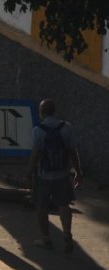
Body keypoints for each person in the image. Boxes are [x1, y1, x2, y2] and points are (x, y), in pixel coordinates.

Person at [27, 99, 82, 254]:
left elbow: (35, 154)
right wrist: (78, 171)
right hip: (63, 174)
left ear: (42, 112)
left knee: (41, 207)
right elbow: (72, 152)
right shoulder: (67, 127)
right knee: (64, 205)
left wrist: (29, 172)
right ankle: (66, 233)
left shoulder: (38, 130)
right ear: (54, 111)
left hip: (44, 175)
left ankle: (46, 239)